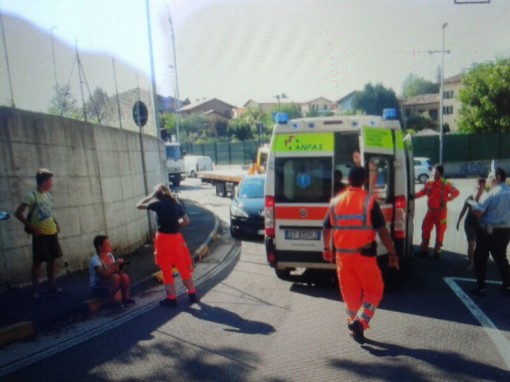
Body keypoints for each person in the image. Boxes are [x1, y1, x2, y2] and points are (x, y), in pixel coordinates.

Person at [322, 166, 399, 344]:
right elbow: (382, 231)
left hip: (342, 258)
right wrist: (392, 251)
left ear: (348, 180)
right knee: (374, 290)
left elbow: (326, 228)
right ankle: (360, 322)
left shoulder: (336, 201)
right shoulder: (368, 201)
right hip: (363, 257)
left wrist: (327, 249)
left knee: (350, 296)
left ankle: (354, 326)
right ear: (364, 181)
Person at [136, 183, 197, 307]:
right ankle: (192, 294)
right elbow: (186, 221)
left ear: (157, 194)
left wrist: (150, 196)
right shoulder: (176, 203)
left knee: (166, 269)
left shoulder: (157, 203)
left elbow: (138, 205)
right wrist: (176, 222)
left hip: (163, 239)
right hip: (176, 239)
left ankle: (172, 298)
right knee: (183, 267)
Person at [14, 169, 67, 299]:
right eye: (50, 181)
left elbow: (48, 212)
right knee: (38, 262)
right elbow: (18, 213)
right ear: (44, 182)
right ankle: (35, 290)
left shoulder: (48, 195)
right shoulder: (31, 196)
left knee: (52, 260)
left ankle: (51, 287)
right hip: (40, 234)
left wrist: (56, 223)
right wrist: (32, 227)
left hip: (51, 232)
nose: (51, 183)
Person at [469, 167, 510, 296]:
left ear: (498, 177)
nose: (488, 179)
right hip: (505, 231)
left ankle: (481, 288)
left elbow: (478, 213)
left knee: (480, 259)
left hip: (488, 231)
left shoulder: (491, 193)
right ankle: (507, 285)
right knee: (501, 258)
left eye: (490, 176)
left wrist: (473, 205)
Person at [415, 164, 460, 259]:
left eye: (434, 172)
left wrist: (447, 199)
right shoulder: (429, 182)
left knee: (440, 231)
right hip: (430, 212)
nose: (432, 174)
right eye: (432, 172)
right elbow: (423, 192)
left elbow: (456, 192)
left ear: (440, 173)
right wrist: (413, 196)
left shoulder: (446, 183)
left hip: (441, 213)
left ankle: (437, 252)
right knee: (425, 228)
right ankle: (424, 250)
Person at [89, 235, 134, 306]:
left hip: (109, 283)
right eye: (107, 244)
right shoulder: (95, 260)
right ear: (100, 247)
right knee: (115, 277)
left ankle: (125, 298)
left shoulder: (109, 255)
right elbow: (103, 274)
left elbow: (115, 272)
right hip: (97, 287)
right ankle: (111, 302)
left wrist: (121, 268)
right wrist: (115, 264)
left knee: (123, 276)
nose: (110, 246)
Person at [456, 177, 486, 271]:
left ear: (484, 187)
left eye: (481, 186)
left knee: (481, 245)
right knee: (471, 244)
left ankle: (477, 260)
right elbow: (463, 210)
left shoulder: (486, 198)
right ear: (475, 187)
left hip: (481, 225)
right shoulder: (470, 198)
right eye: (478, 186)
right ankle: (471, 263)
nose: (479, 188)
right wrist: (458, 221)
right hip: (469, 224)